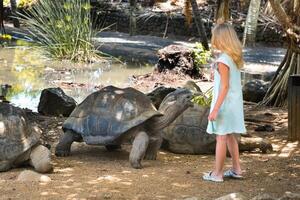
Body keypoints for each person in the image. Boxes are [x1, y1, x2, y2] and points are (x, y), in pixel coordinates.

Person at [202, 23, 246, 183]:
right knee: (229, 136)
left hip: (225, 105)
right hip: (233, 105)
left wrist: (215, 109)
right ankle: (236, 169)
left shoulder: (223, 60)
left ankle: (217, 174)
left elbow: (225, 86)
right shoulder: (232, 58)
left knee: (221, 137)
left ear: (220, 38)